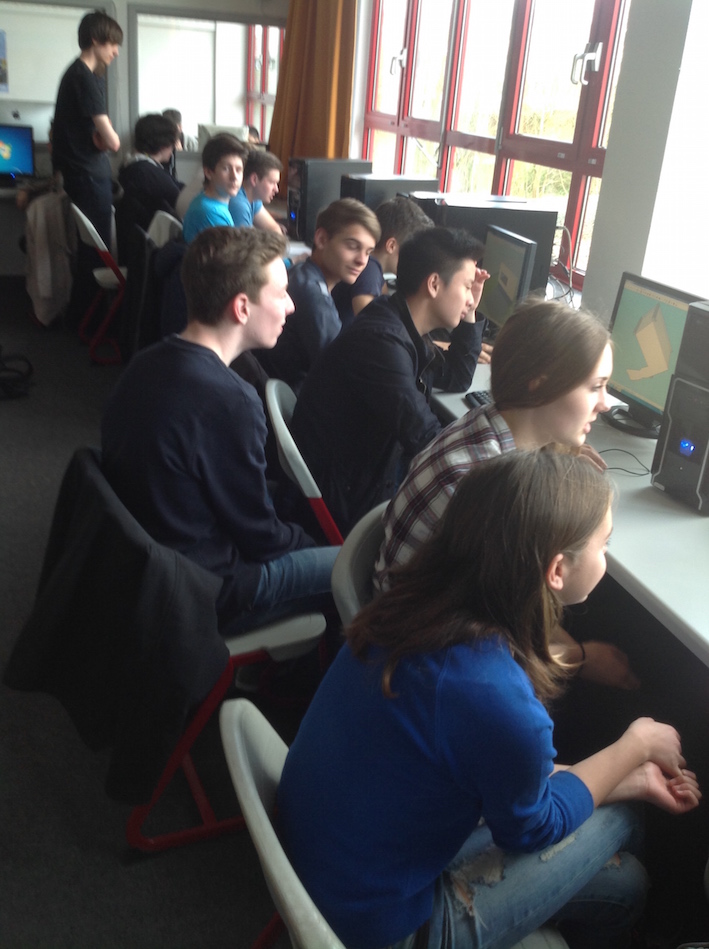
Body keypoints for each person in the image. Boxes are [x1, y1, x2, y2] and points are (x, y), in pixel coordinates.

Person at [277, 448, 700, 949]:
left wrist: (632, 776)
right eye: (604, 544)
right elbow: (531, 828)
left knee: (625, 879)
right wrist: (636, 745)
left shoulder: (409, 612)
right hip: (384, 926)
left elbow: (488, 765)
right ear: (557, 570)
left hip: (323, 867)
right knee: (627, 836)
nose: (606, 555)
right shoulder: (496, 698)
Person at [374, 297, 640, 691]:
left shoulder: (489, 423)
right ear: (540, 382)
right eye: (595, 386)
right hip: (422, 657)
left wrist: (557, 452)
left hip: (434, 612)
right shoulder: (490, 492)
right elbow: (496, 626)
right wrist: (580, 657)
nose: (604, 404)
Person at [101, 226, 339, 636]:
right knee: (358, 565)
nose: (291, 306)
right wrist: (311, 542)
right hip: (211, 589)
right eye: (282, 293)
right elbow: (263, 540)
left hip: (154, 563)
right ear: (242, 307)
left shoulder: (147, 361)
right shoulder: (231, 401)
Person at [290, 226, 489, 534]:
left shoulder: (397, 321)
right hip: (346, 501)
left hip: (359, 474)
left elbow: (457, 378)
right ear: (434, 284)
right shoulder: (381, 342)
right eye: (466, 286)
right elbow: (427, 440)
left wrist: (471, 310)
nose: (469, 297)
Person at [257, 197, 381, 392]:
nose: (362, 261)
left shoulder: (302, 273)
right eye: (352, 246)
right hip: (297, 396)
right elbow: (344, 371)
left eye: (368, 252)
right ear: (322, 239)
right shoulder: (313, 295)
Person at [52, 10, 122, 324]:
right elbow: (112, 141)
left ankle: (83, 318)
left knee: (90, 250)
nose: (116, 51)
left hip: (82, 174)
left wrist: (102, 140)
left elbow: (93, 136)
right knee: (97, 252)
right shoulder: (84, 77)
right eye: (112, 44)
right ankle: (91, 322)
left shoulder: (78, 75)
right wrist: (107, 139)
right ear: (95, 40)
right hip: (89, 177)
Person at [331, 195, 434, 330]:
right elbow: (372, 327)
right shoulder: (369, 270)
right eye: (412, 252)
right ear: (391, 246)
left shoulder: (375, 270)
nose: (414, 261)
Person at [117, 113, 183, 237]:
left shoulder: (131, 164)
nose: (173, 148)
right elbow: (180, 200)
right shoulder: (148, 172)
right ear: (163, 144)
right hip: (151, 239)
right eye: (172, 143)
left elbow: (173, 185)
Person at [181, 133, 248, 242]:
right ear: (208, 172)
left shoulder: (206, 199)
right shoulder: (211, 212)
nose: (234, 177)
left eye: (239, 170)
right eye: (226, 169)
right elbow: (230, 253)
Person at [229, 148, 285, 234]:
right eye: (272, 182)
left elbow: (274, 229)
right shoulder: (238, 205)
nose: (276, 189)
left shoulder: (253, 198)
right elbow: (247, 242)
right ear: (254, 179)